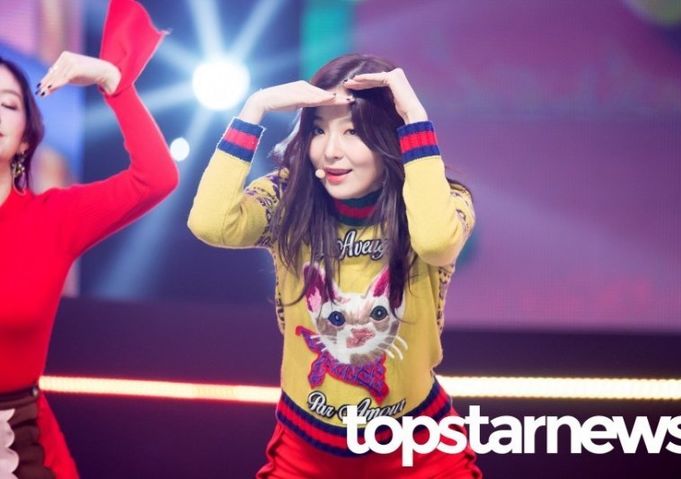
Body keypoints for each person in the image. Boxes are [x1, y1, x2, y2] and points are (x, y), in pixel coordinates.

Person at [188, 53, 481, 478]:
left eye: (352, 132)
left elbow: (437, 243)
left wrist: (414, 117)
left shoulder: (440, 198)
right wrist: (254, 108)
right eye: (319, 130)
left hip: (417, 450)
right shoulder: (287, 199)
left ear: (388, 136)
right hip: (306, 451)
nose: (330, 151)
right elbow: (210, 224)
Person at [0, 0, 177, 477]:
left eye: (7, 104)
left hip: (18, 446)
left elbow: (156, 178)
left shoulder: (52, 219)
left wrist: (112, 82)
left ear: (25, 139)